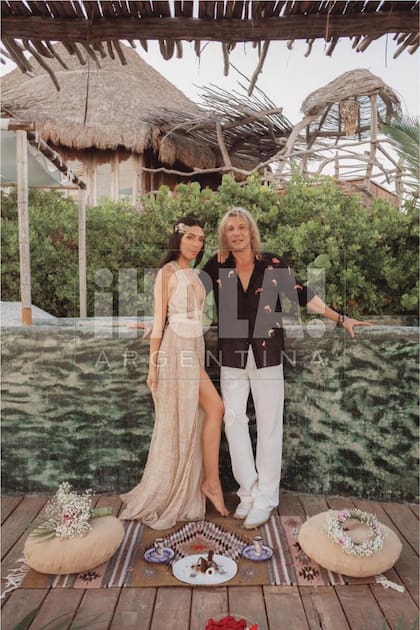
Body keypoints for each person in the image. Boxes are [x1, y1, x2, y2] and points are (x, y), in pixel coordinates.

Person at [202, 207, 370, 530]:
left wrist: (342, 318)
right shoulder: (218, 263)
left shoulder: (272, 264)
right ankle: (247, 492)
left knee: (269, 426)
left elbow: (305, 296)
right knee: (233, 420)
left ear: (251, 232)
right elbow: (190, 293)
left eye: (241, 227)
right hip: (232, 355)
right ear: (225, 235)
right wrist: (158, 319)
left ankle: (266, 498)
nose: (236, 233)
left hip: (267, 355)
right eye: (230, 229)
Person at [120, 216, 229, 530]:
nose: (196, 243)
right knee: (216, 407)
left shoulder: (194, 272)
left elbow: (172, 315)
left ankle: (205, 484)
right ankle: (211, 484)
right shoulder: (166, 272)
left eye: (200, 239)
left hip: (192, 345)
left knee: (195, 416)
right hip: (176, 351)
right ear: (177, 238)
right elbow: (162, 313)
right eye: (191, 237)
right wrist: (153, 364)